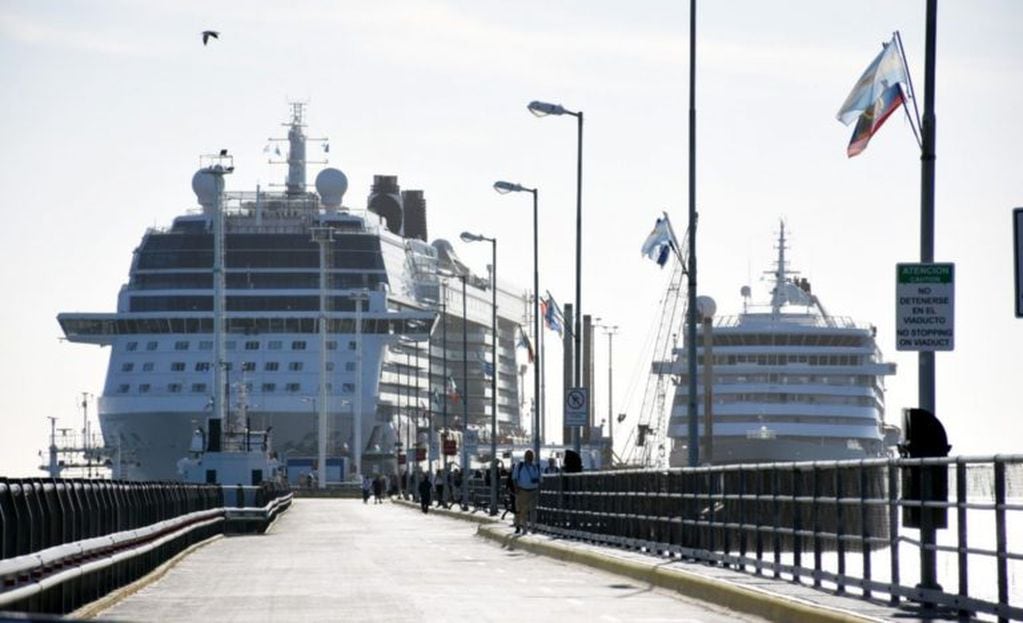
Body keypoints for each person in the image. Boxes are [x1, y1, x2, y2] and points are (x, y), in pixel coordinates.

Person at [511, 450, 540, 534]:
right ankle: (525, 528)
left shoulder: (535, 466)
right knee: (524, 510)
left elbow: (539, 478)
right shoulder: (520, 466)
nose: (530, 457)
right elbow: (514, 478)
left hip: (533, 491)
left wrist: (538, 487)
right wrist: (516, 488)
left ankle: (533, 527)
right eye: (528, 455)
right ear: (525, 457)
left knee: (533, 510)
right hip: (523, 490)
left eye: (531, 455)